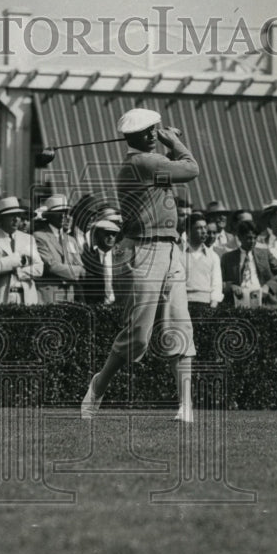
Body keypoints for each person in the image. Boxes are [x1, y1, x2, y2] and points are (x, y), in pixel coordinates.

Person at [81, 109, 199, 423]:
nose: (151, 134)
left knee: (179, 325)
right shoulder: (143, 162)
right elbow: (191, 169)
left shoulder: (148, 160)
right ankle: (99, 383)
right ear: (133, 138)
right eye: (146, 132)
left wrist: (168, 144)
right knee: (138, 335)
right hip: (143, 250)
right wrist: (173, 141)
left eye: (153, 129)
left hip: (169, 248)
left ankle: (185, 404)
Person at [0, 196, 43, 305]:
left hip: (27, 297)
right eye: (11, 215)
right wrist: (22, 260)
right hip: (1, 297)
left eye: (18, 215)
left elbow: (39, 268)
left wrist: (19, 271)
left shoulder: (28, 239)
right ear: (1, 218)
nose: (16, 219)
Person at [219, 220, 277, 307]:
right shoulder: (227, 258)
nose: (252, 241)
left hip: (263, 302)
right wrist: (231, 286)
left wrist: (268, 287)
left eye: (255, 237)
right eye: (248, 238)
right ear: (240, 237)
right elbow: (219, 281)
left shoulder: (265, 254)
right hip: (237, 303)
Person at [33, 195, 85, 304]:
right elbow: (50, 265)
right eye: (59, 212)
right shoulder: (39, 237)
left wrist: (79, 270)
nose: (63, 216)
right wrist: (76, 272)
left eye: (65, 212)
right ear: (49, 215)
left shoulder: (71, 240)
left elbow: (80, 265)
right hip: (48, 295)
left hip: (69, 295)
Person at [184, 213, 223, 309]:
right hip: (183, 303)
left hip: (205, 304)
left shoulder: (213, 257)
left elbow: (216, 283)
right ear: (188, 231)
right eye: (199, 228)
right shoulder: (178, 253)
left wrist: (213, 304)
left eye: (205, 228)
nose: (204, 231)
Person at [80, 219, 123, 306]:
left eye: (113, 234)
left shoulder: (120, 258)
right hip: (95, 306)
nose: (111, 237)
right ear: (96, 236)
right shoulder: (87, 258)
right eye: (107, 234)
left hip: (118, 305)